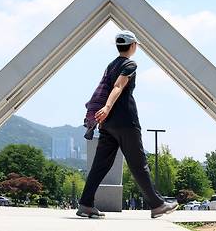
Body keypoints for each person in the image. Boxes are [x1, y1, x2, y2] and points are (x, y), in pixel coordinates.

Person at [76, 30, 178, 219]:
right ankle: (157, 205)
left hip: (107, 124)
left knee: (100, 165)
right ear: (132, 46)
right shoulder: (130, 64)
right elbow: (118, 86)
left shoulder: (111, 65)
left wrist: (105, 113)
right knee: (139, 164)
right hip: (125, 121)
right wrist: (107, 107)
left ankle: (85, 203)